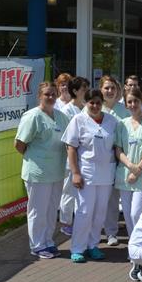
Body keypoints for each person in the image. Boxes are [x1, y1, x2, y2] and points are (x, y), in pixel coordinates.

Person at [62, 89, 128, 263]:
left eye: (98, 102)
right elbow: (71, 148)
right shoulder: (78, 120)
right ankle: (77, 248)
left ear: (102, 104)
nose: (95, 106)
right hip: (86, 173)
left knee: (100, 212)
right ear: (85, 103)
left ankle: (92, 245)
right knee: (84, 211)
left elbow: (117, 146)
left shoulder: (112, 121)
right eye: (91, 102)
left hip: (106, 174)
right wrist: (75, 172)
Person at [14, 82, 70, 259]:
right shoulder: (32, 116)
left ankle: (48, 241)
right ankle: (37, 245)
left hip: (57, 171)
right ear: (40, 96)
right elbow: (19, 144)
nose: (51, 97)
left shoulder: (61, 116)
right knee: (37, 210)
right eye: (47, 94)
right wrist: (35, 158)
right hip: (38, 173)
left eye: (53, 94)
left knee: (52, 209)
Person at [115, 87, 142, 270]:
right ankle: (134, 248)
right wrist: (130, 167)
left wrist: (138, 169)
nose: (133, 105)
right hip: (125, 174)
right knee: (127, 214)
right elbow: (118, 149)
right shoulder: (122, 124)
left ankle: (140, 246)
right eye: (129, 102)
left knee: (137, 213)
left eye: (136, 101)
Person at [98, 76, 130, 247]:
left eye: (112, 88)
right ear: (101, 89)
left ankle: (111, 232)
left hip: (118, 160)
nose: (110, 91)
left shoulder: (124, 110)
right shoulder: (95, 107)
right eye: (106, 88)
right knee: (97, 199)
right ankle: (95, 232)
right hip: (98, 162)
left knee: (112, 199)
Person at [59, 76, 90, 237]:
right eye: (83, 88)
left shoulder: (86, 107)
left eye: (87, 88)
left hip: (83, 158)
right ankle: (65, 222)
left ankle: (78, 221)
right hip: (70, 158)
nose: (86, 91)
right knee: (68, 192)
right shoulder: (66, 111)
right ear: (75, 91)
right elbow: (66, 138)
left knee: (80, 193)